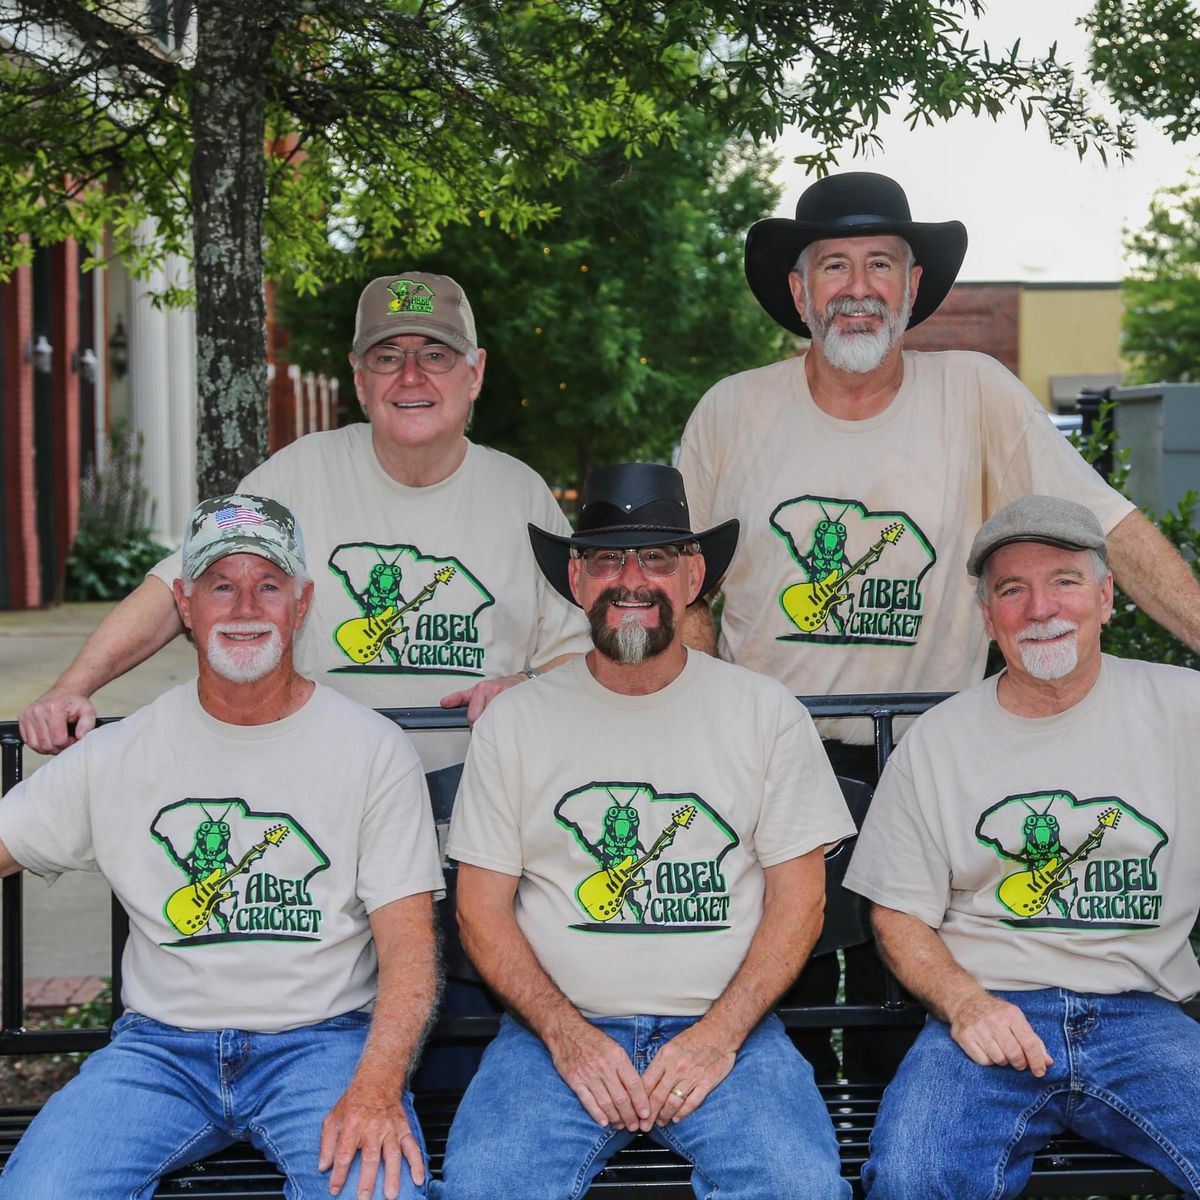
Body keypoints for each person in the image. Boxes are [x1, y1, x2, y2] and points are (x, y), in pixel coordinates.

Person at [675, 170, 1200, 1079]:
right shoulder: (733, 409)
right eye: (833, 265)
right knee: (772, 1017)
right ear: (798, 291)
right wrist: (699, 727)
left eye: (882, 263)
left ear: (913, 287)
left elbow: (1104, 523)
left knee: (903, 1026)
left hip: (928, 766)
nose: (858, 285)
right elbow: (682, 587)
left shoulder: (978, 392)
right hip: (772, 773)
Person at [0, 494, 444, 1200]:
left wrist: (377, 1086)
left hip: (321, 1045)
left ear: (301, 603)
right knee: (41, 1191)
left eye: (268, 585)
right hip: (160, 1052)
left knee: (378, 1195)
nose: (244, 606)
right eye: (220, 585)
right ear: (184, 602)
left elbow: (410, 948)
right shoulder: (122, 751)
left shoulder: (371, 750)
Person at [437, 463, 857, 1200]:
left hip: (730, 1032)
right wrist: (568, 1038)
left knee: (797, 1187)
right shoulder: (518, 722)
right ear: (576, 579)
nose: (631, 579)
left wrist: (718, 1036)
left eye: (656, 558)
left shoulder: (765, 713)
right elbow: (479, 910)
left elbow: (801, 903)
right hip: (553, 1036)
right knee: (485, 1186)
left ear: (693, 575)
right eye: (607, 559)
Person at [20, 272, 589, 770]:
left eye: (436, 355)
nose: (411, 377)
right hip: (326, 797)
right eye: (387, 358)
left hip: (480, 798)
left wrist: (525, 685)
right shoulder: (296, 477)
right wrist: (72, 688)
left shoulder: (521, 494)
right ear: (360, 379)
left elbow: (577, 650)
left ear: (475, 372)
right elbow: (182, 586)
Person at [843, 495, 1200, 1199]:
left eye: (1064, 581)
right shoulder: (938, 741)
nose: (1040, 607)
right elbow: (898, 914)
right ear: (988, 616)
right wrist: (966, 1004)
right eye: (1012, 589)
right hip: (987, 1018)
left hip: (1145, 1015)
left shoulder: (1184, 709)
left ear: (1104, 598)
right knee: (913, 1177)